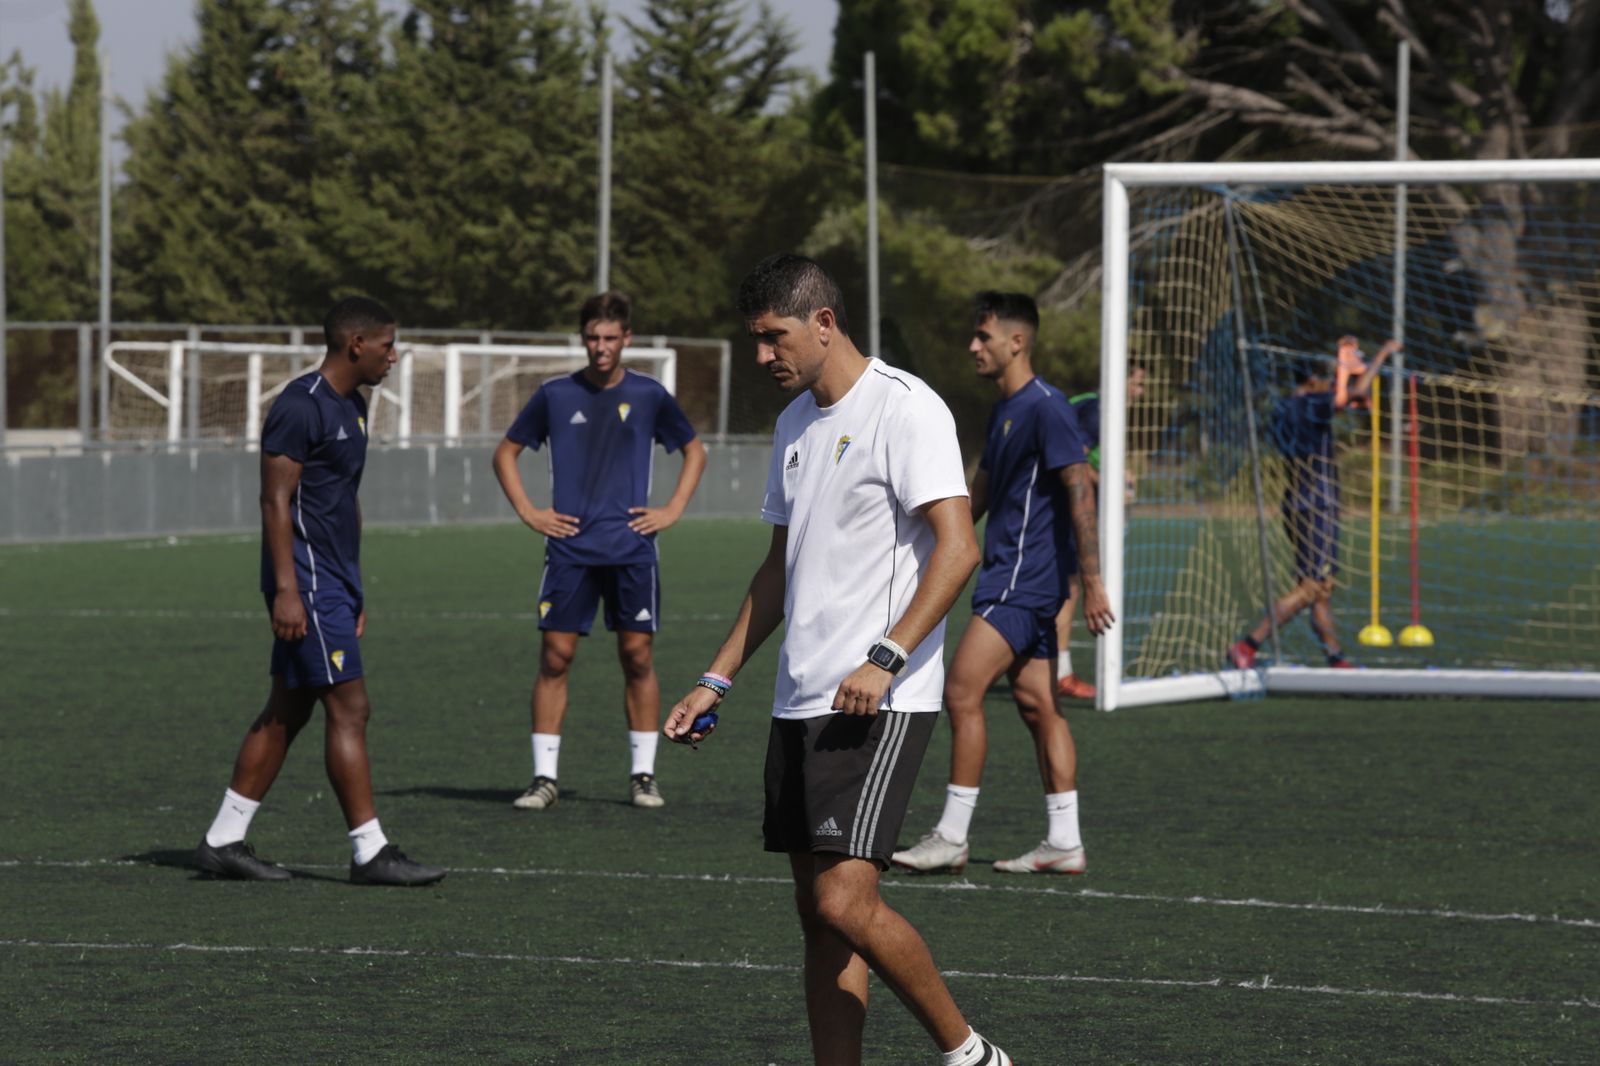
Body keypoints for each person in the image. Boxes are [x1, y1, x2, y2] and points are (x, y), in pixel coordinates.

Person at [662, 254, 1014, 1066]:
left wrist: (886, 656)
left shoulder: (906, 408)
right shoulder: (793, 425)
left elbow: (958, 550)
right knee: (818, 918)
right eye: (754, 340)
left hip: (876, 701)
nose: (761, 357)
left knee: (844, 901)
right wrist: (715, 679)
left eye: (772, 337)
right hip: (799, 700)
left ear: (824, 323)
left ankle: (970, 1056)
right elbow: (779, 569)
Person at [194, 297, 445, 886]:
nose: (394, 355)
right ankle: (370, 851)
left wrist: (353, 589)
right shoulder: (298, 406)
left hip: (331, 581)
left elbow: (344, 497)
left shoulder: (355, 406)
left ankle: (223, 838)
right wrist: (288, 590)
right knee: (350, 706)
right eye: (387, 345)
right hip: (303, 579)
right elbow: (274, 500)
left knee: (290, 707)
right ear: (355, 344)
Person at [891, 291, 1114, 878]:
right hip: (1018, 579)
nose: (973, 346)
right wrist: (919, 531)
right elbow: (978, 494)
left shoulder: (1048, 407)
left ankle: (951, 837)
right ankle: (1064, 842)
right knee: (1039, 704)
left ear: (1016, 342)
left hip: (1023, 580)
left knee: (962, 692)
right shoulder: (1006, 410)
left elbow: (1079, 488)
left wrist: (1091, 580)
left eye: (983, 337)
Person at [494, 291, 706, 811]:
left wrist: (673, 509)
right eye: (593, 337)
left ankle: (643, 776)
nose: (601, 346)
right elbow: (505, 452)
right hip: (569, 549)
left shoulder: (650, 394)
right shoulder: (555, 395)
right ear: (583, 338)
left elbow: (694, 449)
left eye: (611, 337)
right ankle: (544, 779)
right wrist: (530, 512)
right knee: (556, 657)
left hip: (632, 548)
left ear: (627, 339)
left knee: (637, 657)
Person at [1229, 338, 1399, 669]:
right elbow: (1357, 393)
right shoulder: (1314, 402)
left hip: (1295, 501)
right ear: (1311, 381)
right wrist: (1380, 355)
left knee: (1318, 589)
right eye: (1322, 378)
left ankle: (1335, 657)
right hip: (1319, 503)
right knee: (1313, 586)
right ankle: (1249, 644)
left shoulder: (1283, 407)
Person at [1052, 362, 1147, 699]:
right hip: (1066, 509)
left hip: (1062, 508)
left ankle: (1045, 666)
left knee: (1065, 585)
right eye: (1136, 384)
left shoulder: (1091, 404)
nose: (1141, 392)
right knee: (1070, 586)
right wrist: (1109, 483)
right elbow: (1074, 463)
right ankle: (1060, 673)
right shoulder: (1097, 410)